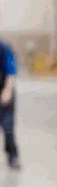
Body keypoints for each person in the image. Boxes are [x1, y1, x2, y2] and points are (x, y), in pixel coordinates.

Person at [0, 39, 21, 169]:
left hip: (4, 90)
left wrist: (7, 90)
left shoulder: (4, 48)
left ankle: (13, 157)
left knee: (8, 126)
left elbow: (11, 70)